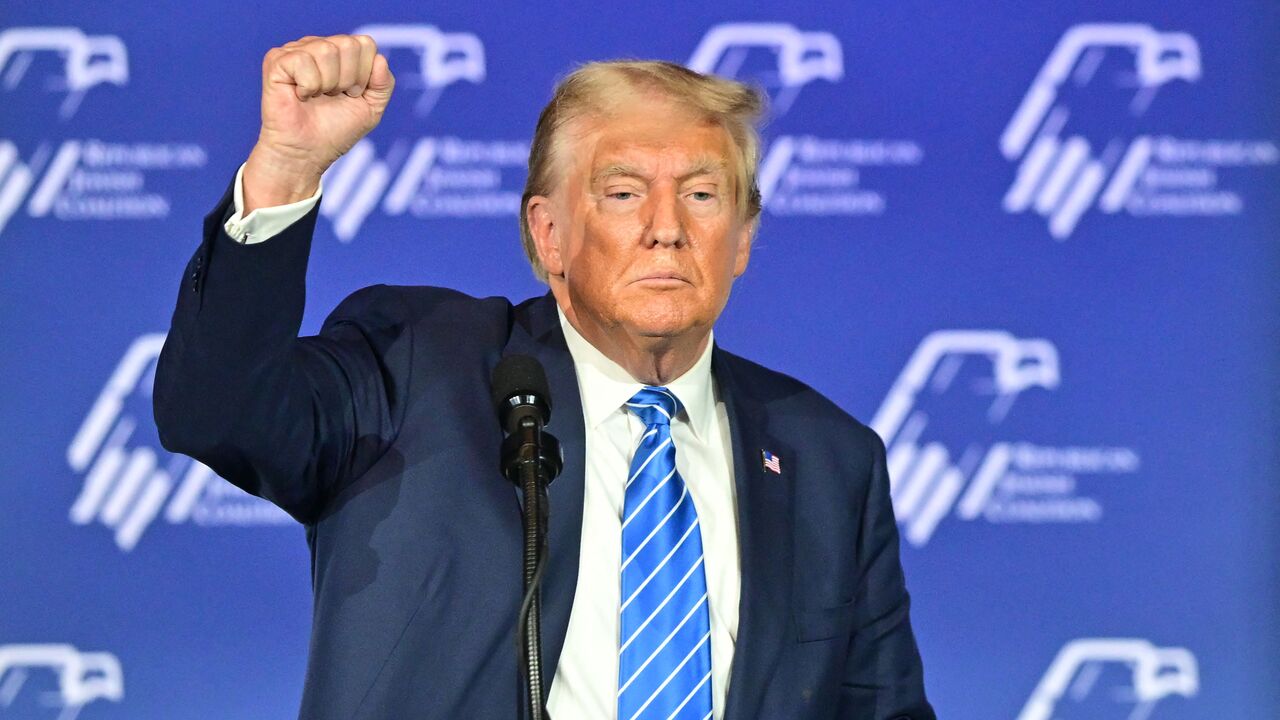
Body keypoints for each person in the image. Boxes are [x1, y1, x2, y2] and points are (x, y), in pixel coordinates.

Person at [153, 33, 935, 720]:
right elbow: (217, 410)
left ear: (741, 239)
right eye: (624, 193)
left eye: (702, 194)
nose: (668, 228)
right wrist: (286, 168)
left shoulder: (829, 458)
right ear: (548, 233)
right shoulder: (417, 363)